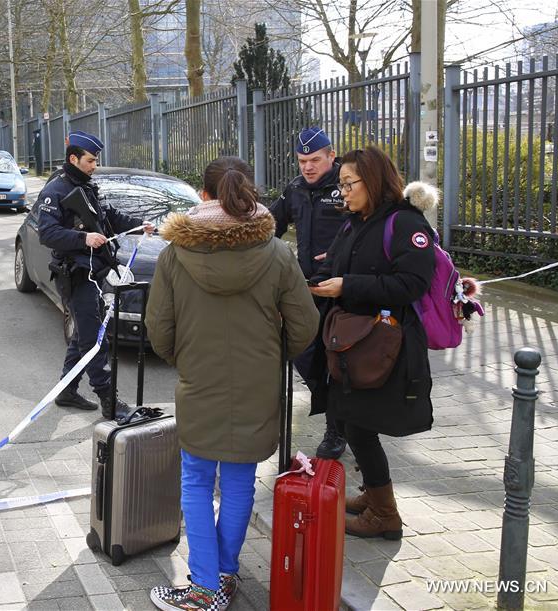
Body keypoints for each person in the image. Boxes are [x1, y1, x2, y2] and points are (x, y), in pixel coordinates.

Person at [146, 157, 319, 610]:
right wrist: (270, 356)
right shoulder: (278, 254)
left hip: (198, 382)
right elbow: (305, 326)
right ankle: (222, 576)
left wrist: (186, 359)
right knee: (240, 481)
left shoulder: (174, 255)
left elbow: (158, 329)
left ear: (203, 195)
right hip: (257, 385)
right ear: (248, 195)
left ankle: (204, 587)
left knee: (197, 481)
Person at [309, 146, 437, 539]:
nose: (343, 192)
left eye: (349, 184)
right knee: (352, 421)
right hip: (354, 343)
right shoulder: (357, 220)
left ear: (374, 180)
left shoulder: (403, 223)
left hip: (385, 346)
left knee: (360, 426)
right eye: (341, 184)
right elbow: (346, 264)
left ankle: (384, 515)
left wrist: (348, 283)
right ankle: (376, 498)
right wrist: (326, 273)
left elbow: (413, 283)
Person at [38, 130, 153, 419]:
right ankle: (109, 402)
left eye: (96, 160)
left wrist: (141, 225)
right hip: (76, 276)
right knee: (95, 340)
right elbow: (47, 232)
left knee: (83, 336)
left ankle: (67, 391)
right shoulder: (55, 190)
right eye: (90, 160)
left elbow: (108, 215)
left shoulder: (88, 186)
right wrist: (83, 239)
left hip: (94, 271)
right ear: (73, 158)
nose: (94, 166)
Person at [269, 127, 349, 460]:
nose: (308, 167)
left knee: (338, 361)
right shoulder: (295, 189)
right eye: (302, 161)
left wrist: (338, 252)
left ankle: (337, 428)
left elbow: (366, 228)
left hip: (343, 290)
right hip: (306, 289)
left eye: (315, 159)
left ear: (331, 155)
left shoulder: (348, 186)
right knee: (302, 352)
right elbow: (270, 225)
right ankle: (330, 400)